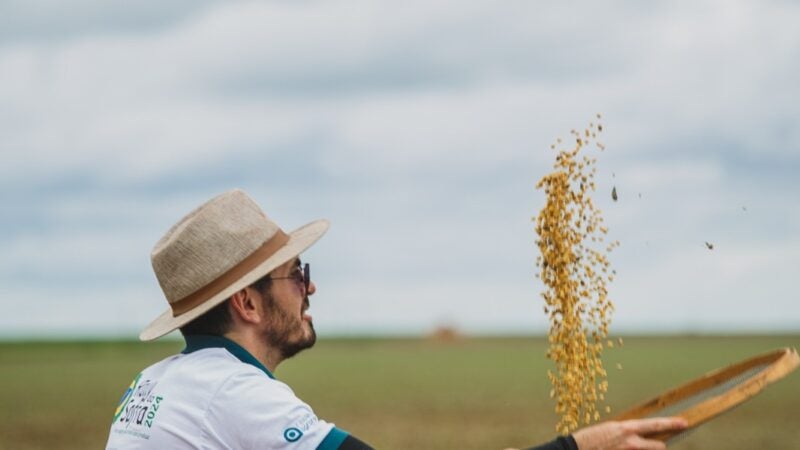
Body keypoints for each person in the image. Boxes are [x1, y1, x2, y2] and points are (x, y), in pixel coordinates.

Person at [105, 189, 687, 450]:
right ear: (249, 304)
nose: (310, 289)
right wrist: (576, 449)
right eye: (296, 274)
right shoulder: (235, 396)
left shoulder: (155, 385)